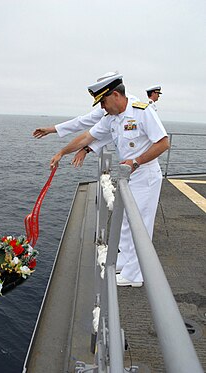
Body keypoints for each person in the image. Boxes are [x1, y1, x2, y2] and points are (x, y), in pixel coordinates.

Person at [49, 73, 169, 287]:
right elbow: (87, 136)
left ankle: (135, 274)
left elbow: (162, 143)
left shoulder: (142, 111)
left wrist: (136, 161)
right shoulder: (113, 118)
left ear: (115, 95)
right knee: (124, 220)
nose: (102, 107)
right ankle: (124, 261)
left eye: (103, 102)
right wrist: (62, 152)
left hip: (145, 174)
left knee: (139, 225)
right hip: (129, 175)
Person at [33, 72, 139, 167]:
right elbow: (84, 124)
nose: (102, 106)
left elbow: (112, 133)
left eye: (103, 100)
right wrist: (52, 130)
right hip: (128, 166)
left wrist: (86, 149)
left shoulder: (136, 110)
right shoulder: (109, 110)